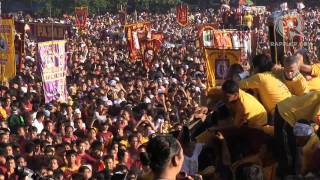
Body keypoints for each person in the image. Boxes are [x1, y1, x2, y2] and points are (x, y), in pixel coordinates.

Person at [274, 91, 320, 177]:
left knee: (290, 147)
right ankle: (287, 174)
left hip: (288, 109)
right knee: (287, 149)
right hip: (286, 114)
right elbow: (316, 118)